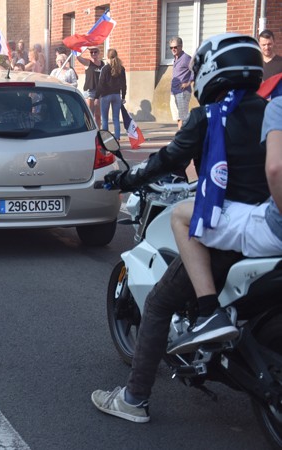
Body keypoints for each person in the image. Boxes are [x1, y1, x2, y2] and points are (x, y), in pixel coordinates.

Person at [91, 33, 269, 423]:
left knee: (157, 303)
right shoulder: (270, 110)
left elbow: (170, 159)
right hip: (269, 225)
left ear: (211, 70)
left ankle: (134, 399)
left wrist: (125, 180)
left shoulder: (207, 117)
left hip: (231, 231)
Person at [166, 94, 282, 354]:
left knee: (181, 216)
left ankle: (208, 311)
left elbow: (275, 169)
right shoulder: (263, 105)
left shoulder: (277, 105)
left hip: (274, 229)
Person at [97, 49, 126, 140]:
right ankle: (117, 138)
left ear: (107, 57)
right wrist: (123, 96)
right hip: (117, 95)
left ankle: (106, 139)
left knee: (105, 119)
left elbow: (101, 83)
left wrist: (97, 96)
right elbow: (124, 84)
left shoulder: (105, 68)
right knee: (116, 118)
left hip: (106, 95)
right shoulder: (121, 68)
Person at [77, 47, 104, 127]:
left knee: (98, 115)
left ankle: (98, 132)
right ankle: (88, 130)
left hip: (99, 92)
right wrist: (85, 47)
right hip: (90, 91)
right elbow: (78, 57)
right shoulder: (88, 62)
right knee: (89, 114)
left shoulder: (102, 64)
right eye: (91, 52)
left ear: (98, 53)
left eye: (95, 52)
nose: (93, 54)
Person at [169, 36, 193, 129]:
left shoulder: (186, 58)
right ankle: (179, 137)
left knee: (183, 117)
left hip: (182, 92)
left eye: (175, 47)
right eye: (171, 48)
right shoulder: (175, 59)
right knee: (178, 118)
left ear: (181, 46)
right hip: (173, 92)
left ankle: (185, 139)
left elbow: (196, 70)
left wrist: (188, 83)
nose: (173, 49)